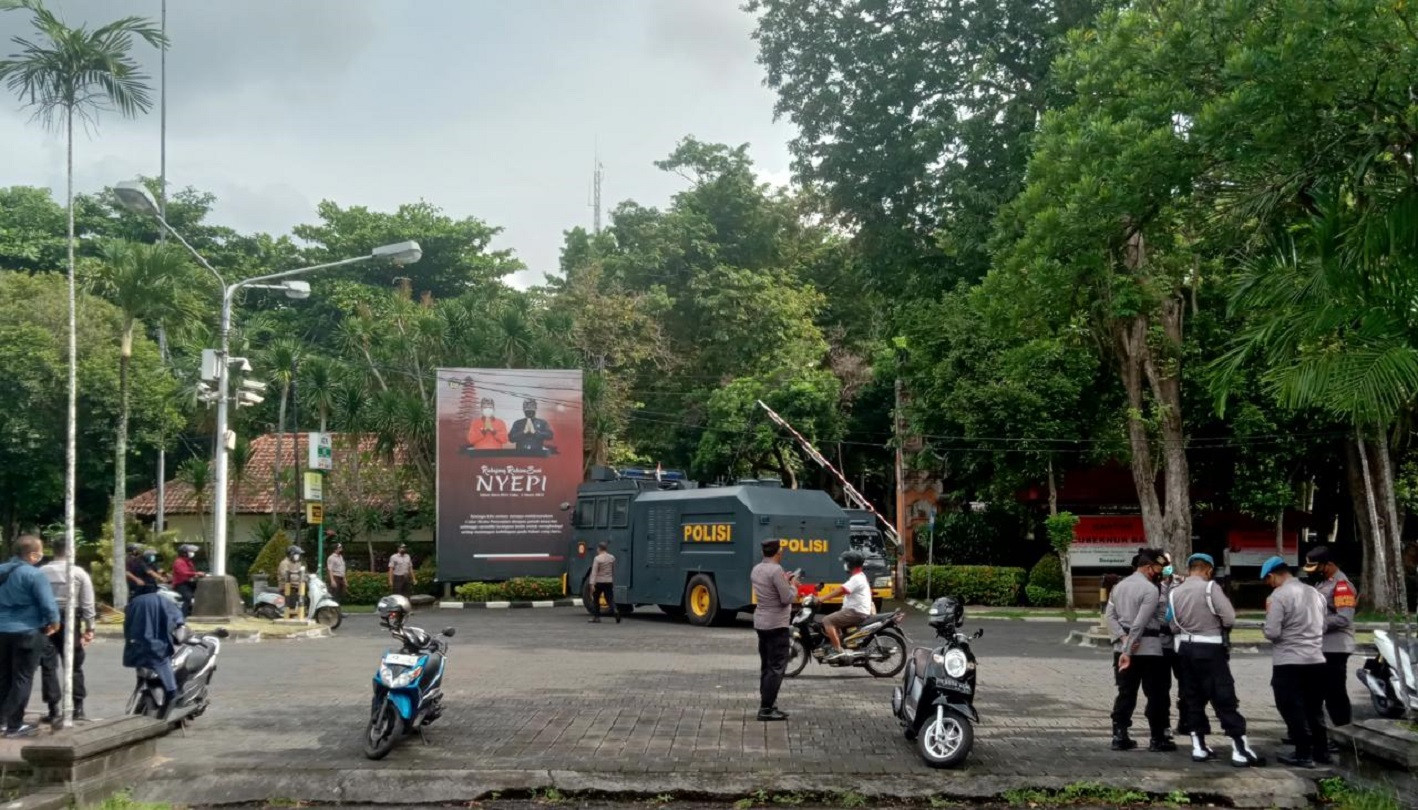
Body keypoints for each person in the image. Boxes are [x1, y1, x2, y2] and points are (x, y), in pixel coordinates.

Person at [1167, 553, 1265, 767]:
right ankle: (1239, 749)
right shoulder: (1211, 588)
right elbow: (1229, 617)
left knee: (1192, 698)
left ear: (1190, 568)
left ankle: (1199, 747)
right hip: (1210, 649)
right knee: (1223, 696)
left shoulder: (1174, 592)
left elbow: (1172, 626)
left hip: (1184, 649)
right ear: (1208, 569)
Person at [1261, 554, 1330, 768]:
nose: (1268, 585)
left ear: (1273, 576)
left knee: (1291, 707)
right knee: (1314, 709)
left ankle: (1303, 753)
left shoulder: (1279, 596)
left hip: (1289, 661)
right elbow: (1325, 626)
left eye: (1268, 581)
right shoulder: (1316, 594)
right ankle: (1322, 751)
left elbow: (1272, 632)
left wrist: (1265, 629)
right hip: (1316, 660)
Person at [1107, 548, 1173, 752]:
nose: (1159, 572)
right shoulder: (1150, 590)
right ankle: (1157, 737)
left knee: (1126, 692)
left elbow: (1109, 617)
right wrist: (1130, 644)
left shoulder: (1118, 587)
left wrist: (1123, 638)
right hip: (1148, 648)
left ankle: (1120, 735)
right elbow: (1140, 622)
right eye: (1157, 567)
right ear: (1147, 567)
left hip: (1123, 648)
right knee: (1156, 693)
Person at [0, 536, 59, 738]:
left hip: (1, 630)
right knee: (22, 678)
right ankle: (14, 725)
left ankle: (1, 721)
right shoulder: (34, 575)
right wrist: (55, 621)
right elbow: (47, 604)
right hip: (27, 630)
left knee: (4, 677)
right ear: (33, 555)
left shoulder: (2, 570)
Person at [39, 538, 95, 725]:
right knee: (74, 665)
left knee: (48, 666)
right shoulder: (79, 573)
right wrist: (90, 628)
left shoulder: (41, 572)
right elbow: (87, 603)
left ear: (52, 550)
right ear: (72, 551)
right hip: (70, 619)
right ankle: (77, 707)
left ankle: (53, 708)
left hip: (45, 620)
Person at [1303, 546, 1355, 739]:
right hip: (1321, 647)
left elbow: (1344, 618)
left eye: (1317, 566)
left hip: (1335, 648)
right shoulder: (1324, 583)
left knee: (1335, 695)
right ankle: (1319, 737)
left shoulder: (1341, 585)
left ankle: (1346, 737)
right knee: (1315, 694)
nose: (1314, 571)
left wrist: (1315, 623)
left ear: (1329, 564)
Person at [750, 539, 798, 722]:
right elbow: (786, 598)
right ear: (778, 552)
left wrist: (783, 581)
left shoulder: (756, 569)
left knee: (766, 665)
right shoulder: (776, 570)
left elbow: (769, 589)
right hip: (777, 624)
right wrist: (794, 585)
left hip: (761, 622)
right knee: (777, 667)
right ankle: (766, 709)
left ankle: (767, 703)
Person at [122, 586, 184, 717]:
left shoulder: (132, 604)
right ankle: (173, 697)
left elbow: (126, 626)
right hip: (156, 649)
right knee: (171, 686)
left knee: (142, 675)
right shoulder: (163, 601)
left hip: (135, 648)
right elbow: (178, 622)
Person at [1157, 553, 1191, 740]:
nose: (1166, 566)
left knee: (1186, 685)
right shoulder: (1153, 587)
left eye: (1168, 562)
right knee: (1161, 687)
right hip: (1161, 644)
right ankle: (1163, 725)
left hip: (1181, 642)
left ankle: (1186, 721)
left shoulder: (1182, 584)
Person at [816, 550, 872, 661]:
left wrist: (822, 598)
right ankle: (838, 643)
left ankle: (838, 650)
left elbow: (842, 590)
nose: (845, 565)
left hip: (856, 612)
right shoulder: (859, 577)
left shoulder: (857, 579)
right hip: (856, 610)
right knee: (834, 619)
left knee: (827, 620)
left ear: (851, 564)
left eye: (846, 562)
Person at [587, 541, 619, 624]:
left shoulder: (597, 558)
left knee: (596, 598)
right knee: (610, 598)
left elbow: (594, 572)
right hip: (609, 581)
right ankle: (615, 610)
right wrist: (612, 579)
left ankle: (596, 617)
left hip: (599, 582)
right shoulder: (612, 558)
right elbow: (613, 570)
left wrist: (592, 584)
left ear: (599, 549)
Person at [171, 544, 204, 617]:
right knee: (188, 598)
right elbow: (183, 572)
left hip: (189, 583)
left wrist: (197, 575)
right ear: (184, 553)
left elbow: (192, 572)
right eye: (190, 551)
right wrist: (196, 573)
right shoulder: (179, 562)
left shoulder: (188, 562)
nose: (192, 553)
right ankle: (183, 617)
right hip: (181, 584)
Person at [277, 546, 307, 618]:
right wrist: (300, 577)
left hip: (296, 586)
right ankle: (290, 616)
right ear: (291, 554)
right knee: (292, 602)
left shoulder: (297, 563)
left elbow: (301, 572)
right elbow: (286, 576)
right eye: (297, 554)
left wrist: (307, 576)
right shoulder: (284, 563)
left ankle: (302, 613)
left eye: (299, 554)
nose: (298, 556)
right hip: (286, 588)